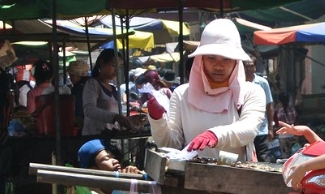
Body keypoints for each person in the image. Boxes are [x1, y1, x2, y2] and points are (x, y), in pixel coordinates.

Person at [146, 18, 265, 164]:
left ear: (236, 61)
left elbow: (248, 129)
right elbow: (170, 145)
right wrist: (157, 120)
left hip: (237, 181)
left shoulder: (251, 92)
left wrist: (215, 135)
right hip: (191, 180)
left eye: (227, 59)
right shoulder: (182, 94)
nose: (218, 66)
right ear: (201, 60)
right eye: (211, 58)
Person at [81, 49, 134, 136]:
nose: (116, 70)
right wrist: (115, 117)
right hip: (94, 138)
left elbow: (116, 119)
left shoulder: (113, 88)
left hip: (110, 138)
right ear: (102, 63)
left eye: (119, 67)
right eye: (113, 65)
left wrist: (131, 120)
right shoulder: (92, 84)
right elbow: (89, 110)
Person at [243, 57, 275, 162]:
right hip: (243, 129)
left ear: (255, 67)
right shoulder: (238, 83)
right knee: (245, 159)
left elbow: (269, 106)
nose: (248, 69)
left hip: (261, 130)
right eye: (246, 66)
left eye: (251, 66)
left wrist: (271, 128)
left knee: (262, 158)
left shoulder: (262, 83)